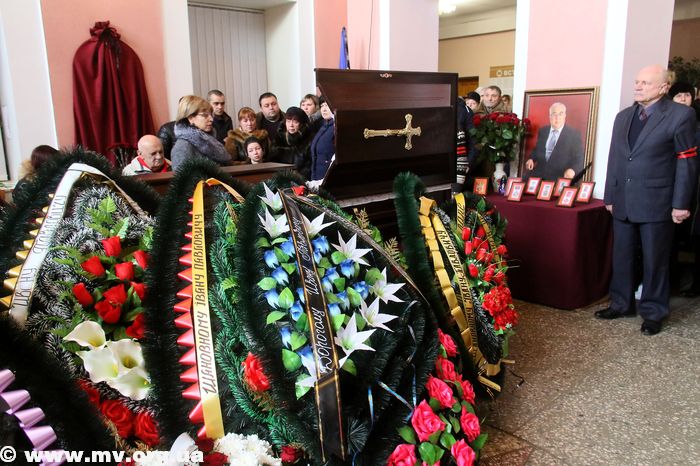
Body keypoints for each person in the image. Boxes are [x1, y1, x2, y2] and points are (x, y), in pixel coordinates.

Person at [596, 65, 698, 336]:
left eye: (645, 83)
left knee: (655, 260)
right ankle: (621, 304)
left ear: (664, 87)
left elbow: (687, 161)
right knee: (622, 256)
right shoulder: (623, 116)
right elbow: (616, 158)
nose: (638, 86)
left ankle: (653, 312)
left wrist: (681, 203)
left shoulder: (681, 115)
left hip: (658, 201)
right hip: (623, 200)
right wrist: (610, 195)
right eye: (637, 81)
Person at [525, 102, 584, 180]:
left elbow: (579, 158)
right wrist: (531, 159)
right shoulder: (543, 131)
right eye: (554, 114)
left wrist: (573, 170)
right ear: (549, 116)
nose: (557, 117)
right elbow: (537, 150)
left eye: (560, 114)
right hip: (539, 174)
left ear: (565, 116)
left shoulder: (573, 134)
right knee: (521, 182)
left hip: (560, 176)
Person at [170, 95, 232, 170]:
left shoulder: (210, 140)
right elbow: (182, 176)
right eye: (205, 115)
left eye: (211, 115)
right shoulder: (183, 147)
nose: (211, 119)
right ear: (190, 118)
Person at [271, 106, 312, 178]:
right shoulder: (279, 138)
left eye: (295, 122)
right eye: (288, 121)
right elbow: (272, 161)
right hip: (280, 179)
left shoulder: (309, 139)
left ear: (301, 123)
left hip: (302, 179)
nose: (291, 125)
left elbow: (309, 165)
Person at [310, 98, 335, 181]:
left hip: (329, 178)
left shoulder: (336, 127)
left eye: (327, 105)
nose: (324, 109)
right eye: (322, 106)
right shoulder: (323, 126)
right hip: (317, 177)